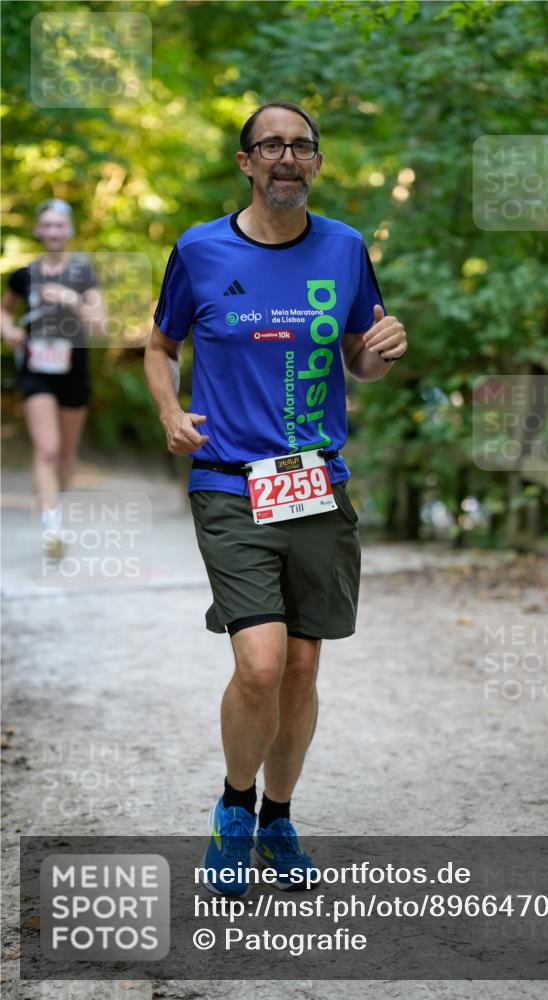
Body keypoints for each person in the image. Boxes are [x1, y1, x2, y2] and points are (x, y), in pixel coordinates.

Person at [145, 101, 407, 896]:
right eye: (271, 146)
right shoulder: (198, 249)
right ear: (246, 163)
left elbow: (359, 356)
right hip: (228, 483)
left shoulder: (344, 247)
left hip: (315, 485)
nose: (286, 157)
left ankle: (278, 819)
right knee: (259, 664)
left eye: (301, 146)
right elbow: (159, 346)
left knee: (300, 667)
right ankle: (233, 811)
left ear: (316, 164)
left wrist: (380, 354)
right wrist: (168, 411)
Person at [0, 199, 106, 556]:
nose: (53, 231)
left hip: (73, 368)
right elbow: (4, 310)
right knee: (47, 448)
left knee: (66, 452)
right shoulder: (24, 274)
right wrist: (8, 330)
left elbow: (100, 323)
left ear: (70, 230)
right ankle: (52, 527)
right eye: (47, 225)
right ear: (37, 230)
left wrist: (69, 298)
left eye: (60, 225)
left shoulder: (83, 274)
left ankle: (56, 509)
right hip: (36, 368)